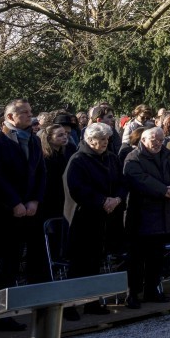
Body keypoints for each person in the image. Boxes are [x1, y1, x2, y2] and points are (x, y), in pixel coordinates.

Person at [0, 99, 48, 328]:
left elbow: (40, 173)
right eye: (25, 113)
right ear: (10, 117)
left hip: (26, 214)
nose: (31, 115)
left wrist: (34, 200)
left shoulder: (34, 140)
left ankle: (3, 316)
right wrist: (15, 202)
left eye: (30, 111)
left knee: (10, 265)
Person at [65, 122, 126, 315]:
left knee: (95, 261)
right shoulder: (78, 160)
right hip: (85, 218)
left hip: (106, 217)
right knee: (80, 263)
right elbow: (78, 189)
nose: (105, 143)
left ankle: (92, 303)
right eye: (101, 139)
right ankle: (70, 305)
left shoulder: (111, 158)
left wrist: (116, 198)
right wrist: (102, 201)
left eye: (107, 139)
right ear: (90, 140)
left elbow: (121, 182)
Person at [123, 126, 170, 308]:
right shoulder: (134, 157)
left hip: (164, 215)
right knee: (137, 258)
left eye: (160, 139)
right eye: (153, 140)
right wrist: (165, 190)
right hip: (142, 216)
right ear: (143, 140)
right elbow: (139, 179)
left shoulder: (167, 154)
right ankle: (133, 293)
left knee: (157, 256)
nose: (158, 143)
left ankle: (152, 290)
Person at [39, 123, 75, 221]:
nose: (65, 137)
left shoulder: (69, 150)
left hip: (66, 196)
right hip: (50, 198)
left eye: (65, 134)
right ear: (49, 138)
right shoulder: (43, 157)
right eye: (60, 135)